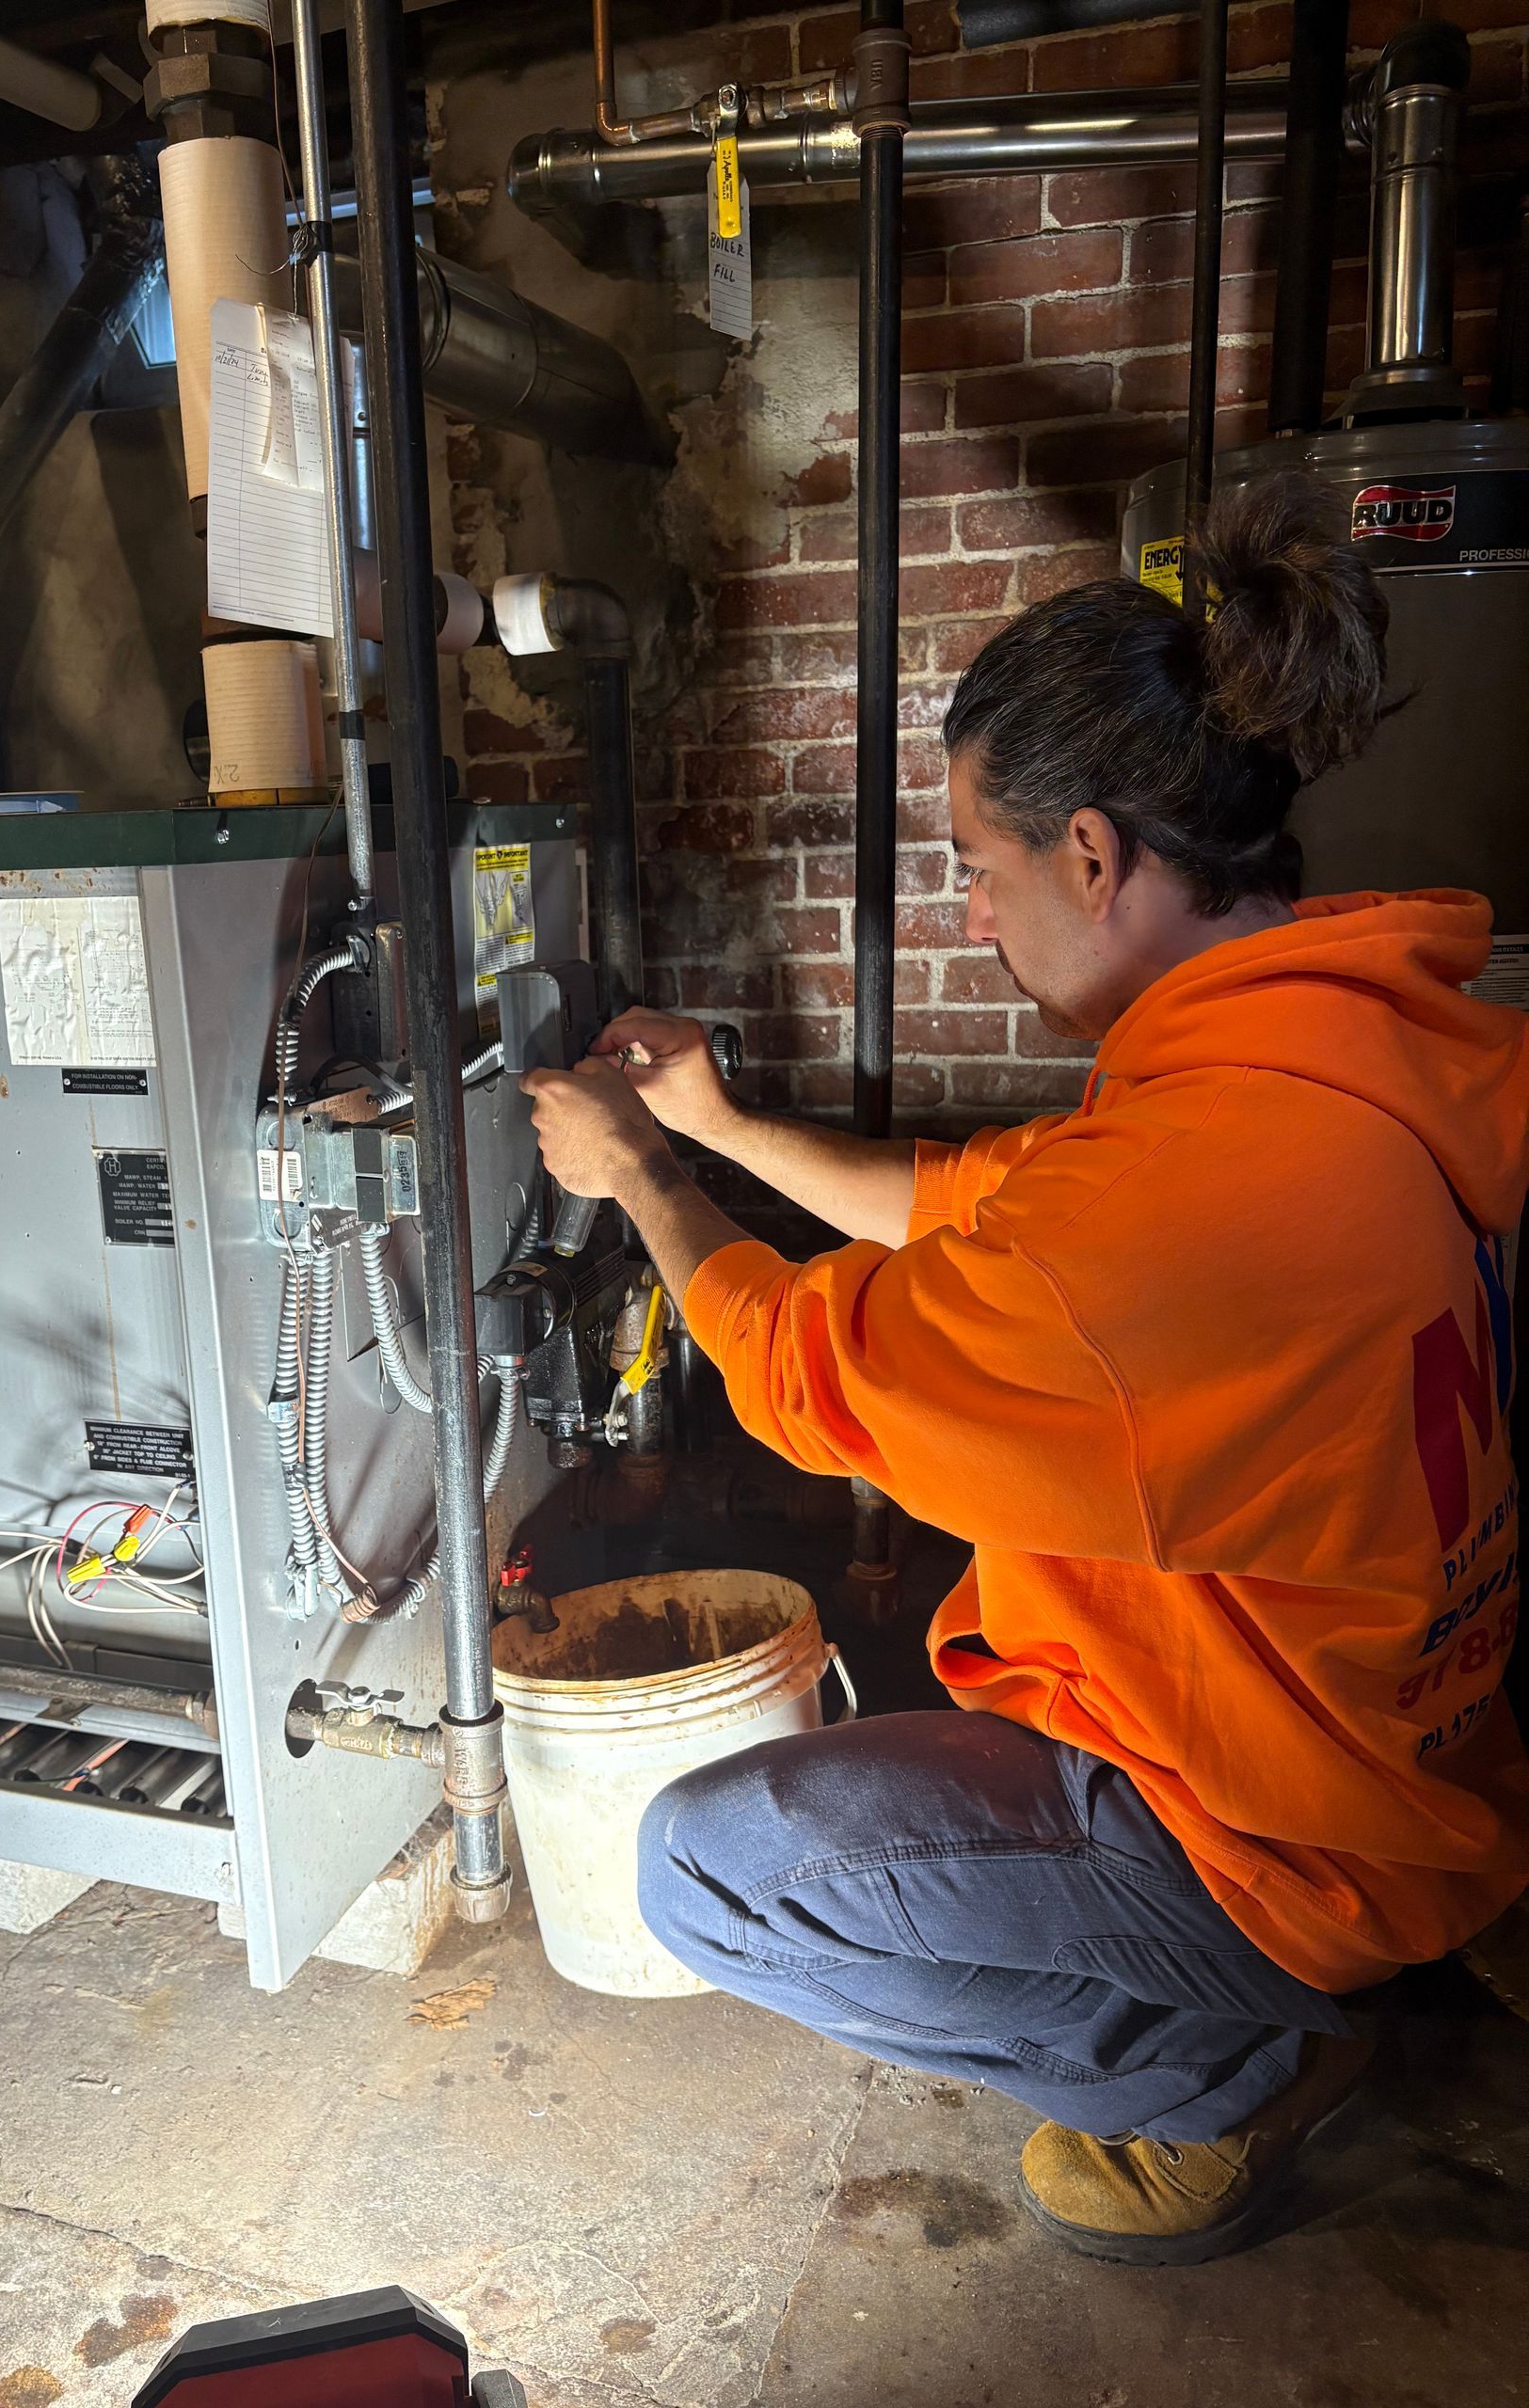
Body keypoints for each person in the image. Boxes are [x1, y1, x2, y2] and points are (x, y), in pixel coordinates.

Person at [518, 472, 1529, 2266]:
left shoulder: (1171, 1208)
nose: (975, 915)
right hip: (1406, 1756)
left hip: (1278, 1841)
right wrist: (724, 1128)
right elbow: (975, 1202)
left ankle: (1225, 2071)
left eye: (981, 871)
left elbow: (806, 1373)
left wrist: (641, 1181)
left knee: (707, 1874)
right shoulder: (1336, 1063)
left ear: (1094, 856)